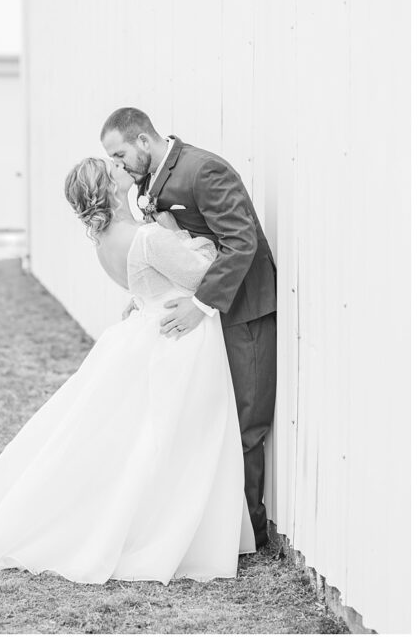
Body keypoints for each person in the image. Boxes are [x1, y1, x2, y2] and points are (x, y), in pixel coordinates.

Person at [0, 157, 254, 584]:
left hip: (145, 326)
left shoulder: (104, 238)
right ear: (108, 187)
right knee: (184, 437)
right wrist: (182, 235)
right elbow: (202, 274)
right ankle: (166, 529)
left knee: (148, 438)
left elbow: (143, 285)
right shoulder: (145, 237)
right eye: (112, 169)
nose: (121, 170)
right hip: (177, 337)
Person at [100, 107, 277, 549]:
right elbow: (171, 249)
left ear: (144, 140)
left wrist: (201, 305)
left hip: (242, 307)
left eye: (120, 154)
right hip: (204, 314)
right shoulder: (149, 179)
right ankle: (209, 527)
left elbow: (241, 242)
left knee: (244, 420)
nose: (118, 166)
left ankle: (247, 533)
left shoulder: (204, 169)